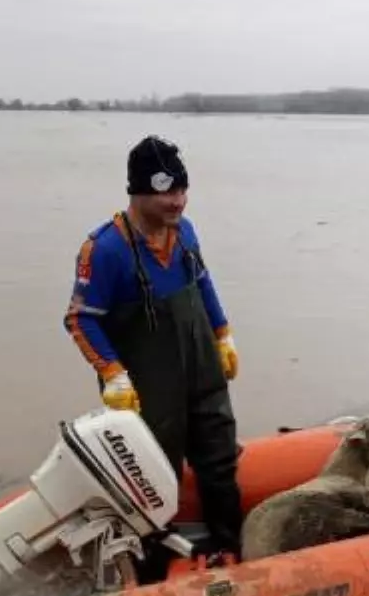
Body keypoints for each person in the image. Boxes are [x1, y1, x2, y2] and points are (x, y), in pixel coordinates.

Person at [63, 134, 244, 565]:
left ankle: (228, 546)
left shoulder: (185, 232)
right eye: (166, 193)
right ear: (138, 192)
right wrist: (112, 372)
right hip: (147, 386)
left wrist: (222, 333)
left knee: (219, 458)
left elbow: (201, 281)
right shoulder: (105, 249)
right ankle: (151, 566)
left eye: (182, 191)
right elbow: (79, 317)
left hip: (201, 370)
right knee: (152, 475)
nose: (177, 202)